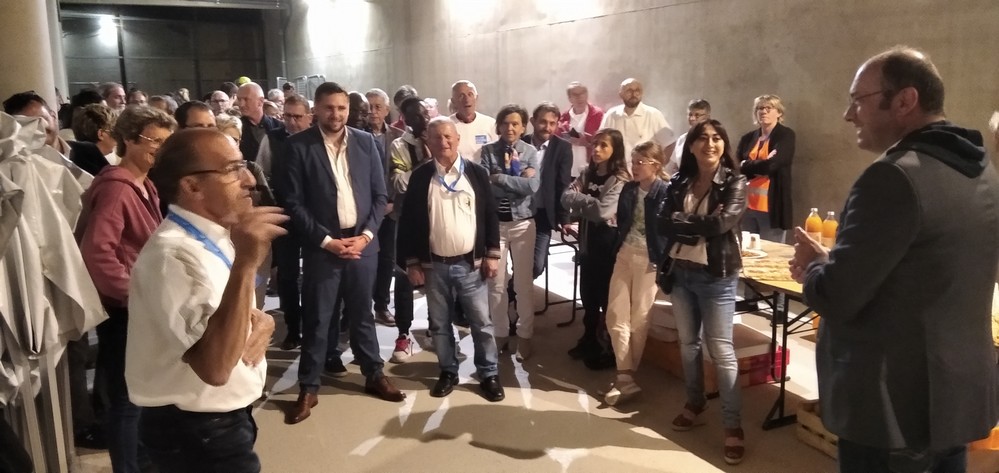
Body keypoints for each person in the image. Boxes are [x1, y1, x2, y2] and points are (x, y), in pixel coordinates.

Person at [789, 46, 999, 473]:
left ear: (905, 100)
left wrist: (814, 266)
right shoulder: (980, 170)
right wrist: (839, 261)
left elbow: (836, 297)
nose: (849, 115)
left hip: (890, 409)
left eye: (858, 100)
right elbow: (924, 272)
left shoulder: (892, 176)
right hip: (952, 398)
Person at [130, 128, 284, 473]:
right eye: (232, 169)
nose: (249, 180)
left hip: (216, 422)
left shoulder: (213, 237)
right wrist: (247, 263)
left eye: (244, 165)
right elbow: (214, 367)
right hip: (196, 430)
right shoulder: (173, 256)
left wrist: (262, 321)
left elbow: (225, 311)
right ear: (192, 186)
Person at [280, 81, 404, 426]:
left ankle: (374, 373)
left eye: (341, 108)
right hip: (323, 247)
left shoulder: (366, 142)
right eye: (329, 108)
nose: (336, 114)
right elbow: (293, 202)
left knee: (362, 314)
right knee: (318, 317)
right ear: (316, 110)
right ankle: (309, 386)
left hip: (363, 245)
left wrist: (366, 236)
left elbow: (380, 196)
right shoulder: (297, 146)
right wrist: (325, 241)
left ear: (349, 110)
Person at [77, 105, 177, 472]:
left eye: (167, 143)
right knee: (126, 400)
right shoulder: (118, 188)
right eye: (155, 141)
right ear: (130, 140)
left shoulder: (143, 184)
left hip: (139, 306)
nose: (161, 150)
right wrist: (130, 297)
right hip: (126, 311)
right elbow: (97, 251)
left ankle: (142, 462)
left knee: (139, 395)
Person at [397, 117, 505, 402]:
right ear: (428, 142)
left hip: (471, 265)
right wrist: (412, 262)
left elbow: (490, 215)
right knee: (439, 324)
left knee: (481, 322)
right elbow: (408, 223)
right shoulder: (420, 176)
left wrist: (492, 254)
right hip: (434, 267)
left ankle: (489, 373)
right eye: (436, 137)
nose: (443, 142)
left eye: (448, 137)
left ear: (457, 139)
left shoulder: (476, 173)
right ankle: (448, 370)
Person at [659, 119, 747, 465]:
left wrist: (682, 220)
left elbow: (722, 223)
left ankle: (732, 425)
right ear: (691, 146)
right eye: (703, 139)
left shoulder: (734, 182)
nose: (710, 144)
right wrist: (696, 224)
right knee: (688, 344)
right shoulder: (679, 180)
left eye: (716, 138)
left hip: (716, 277)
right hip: (681, 273)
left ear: (724, 144)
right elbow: (662, 221)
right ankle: (695, 403)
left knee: (721, 351)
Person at [601, 141, 668, 406]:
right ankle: (625, 377)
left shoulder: (665, 191)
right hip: (625, 253)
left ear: (656, 165)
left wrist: (661, 260)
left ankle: (625, 377)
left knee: (639, 317)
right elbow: (624, 221)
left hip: (649, 259)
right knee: (615, 313)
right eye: (634, 161)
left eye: (641, 162)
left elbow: (666, 229)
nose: (635, 166)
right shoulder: (629, 189)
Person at [561, 128, 630, 370]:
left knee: (605, 298)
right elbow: (565, 197)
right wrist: (589, 204)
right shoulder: (587, 172)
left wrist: (582, 205)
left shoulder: (620, 179)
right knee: (588, 296)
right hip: (588, 242)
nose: (597, 149)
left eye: (604, 146)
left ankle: (609, 349)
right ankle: (589, 339)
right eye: (595, 144)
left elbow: (603, 212)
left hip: (607, 245)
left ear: (615, 150)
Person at [479, 104, 540, 360]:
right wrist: (517, 181)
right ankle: (500, 333)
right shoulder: (487, 151)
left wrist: (499, 178)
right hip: (496, 225)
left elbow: (532, 187)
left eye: (515, 123)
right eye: (505, 123)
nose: (510, 128)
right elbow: (485, 187)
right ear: (498, 126)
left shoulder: (531, 151)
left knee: (524, 283)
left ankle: (525, 335)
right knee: (496, 283)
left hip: (523, 223)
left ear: (523, 127)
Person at [258, 94, 313, 350]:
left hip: (313, 218)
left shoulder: (317, 139)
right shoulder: (272, 139)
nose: (291, 121)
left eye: (297, 116)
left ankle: (314, 325)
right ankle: (292, 328)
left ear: (309, 117)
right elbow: (262, 175)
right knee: (288, 276)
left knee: (315, 275)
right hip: (284, 218)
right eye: (287, 116)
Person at [523, 102, 573, 280]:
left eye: (553, 123)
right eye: (543, 122)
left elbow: (563, 184)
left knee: (536, 266)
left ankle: (512, 291)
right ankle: (516, 293)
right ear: (533, 121)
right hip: (518, 213)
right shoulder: (520, 143)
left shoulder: (563, 148)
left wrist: (564, 218)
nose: (548, 127)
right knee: (520, 263)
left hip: (543, 215)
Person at [736, 94, 795, 244]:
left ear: (779, 113)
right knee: (747, 250)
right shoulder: (748, 138)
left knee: (772, 251)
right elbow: (738, 167)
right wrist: (763, 163)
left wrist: (748, 164)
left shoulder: (785, 135)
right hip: (747, 206)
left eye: (769, 108)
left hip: (771, 207)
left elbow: (773, 165)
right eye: (760, 108)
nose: (763, 111)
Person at [599, 78, 674, 159]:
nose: (634, 94)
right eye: (629, 91)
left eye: (637, 90)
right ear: (621, 94)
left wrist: (659, 165)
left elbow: (670, 143)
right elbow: (601, 142)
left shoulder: (653, 114)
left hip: (644, 166)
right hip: (617, 166)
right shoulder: (611, 115)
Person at [558, 82, 604, 175]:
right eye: (575, 94)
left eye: (582, 93)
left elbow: (606, 143)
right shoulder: (564, 117)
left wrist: (586, 143)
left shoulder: (598, 115)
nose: (580, 97)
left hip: (592, 168)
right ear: (570, 98)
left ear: (587, 94)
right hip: (568, 169)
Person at [449, 80, 496, 162]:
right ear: (453, 101)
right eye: (461, 96)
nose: (466, 99)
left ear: (476, 98)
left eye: (470, 94)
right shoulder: (447, 126)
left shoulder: (491, 124)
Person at [236, 82, 281, 163]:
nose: (241, 104)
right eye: (239, 99)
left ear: (260, 101)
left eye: (246, 99)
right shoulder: (235, 128)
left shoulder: (279, 126)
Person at [666, 99, 712, 177]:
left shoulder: (712, 140)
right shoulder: (682, 139)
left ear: (707, 117)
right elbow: (672, 167)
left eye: (697, 115)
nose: (692, 118)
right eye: (690, 115)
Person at [69, 103, 118, 175]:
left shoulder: (69, 162)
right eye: (116, 133)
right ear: (101, 134)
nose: (118, 139)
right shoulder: (104, 175)